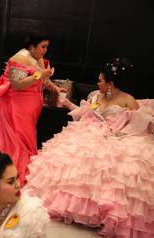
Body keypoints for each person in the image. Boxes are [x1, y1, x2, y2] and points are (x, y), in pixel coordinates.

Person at [24, 58, 154, 237]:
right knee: (75, 156)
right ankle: (69, 205)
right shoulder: (95, 96)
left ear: (110, 84)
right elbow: (86, 114)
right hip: (91, 130)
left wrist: (118, 134)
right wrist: (67, 103)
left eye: (100, 80)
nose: (97, 83)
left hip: (118, 136)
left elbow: (137, 125)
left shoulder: (128, 101)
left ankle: (106, 211)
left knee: (119, 164)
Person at [0, 32, 66, 186]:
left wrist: (55, 88)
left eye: (46, 47)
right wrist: (39, 74)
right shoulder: (20, 58)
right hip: (13, 107)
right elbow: (17, 84)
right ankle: (10, 174)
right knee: (17, 141)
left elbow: (44, 79)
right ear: (32, 47)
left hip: (29, 109)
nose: (45, 50)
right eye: (43, 47)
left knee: (26, 138)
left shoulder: (39, 59)